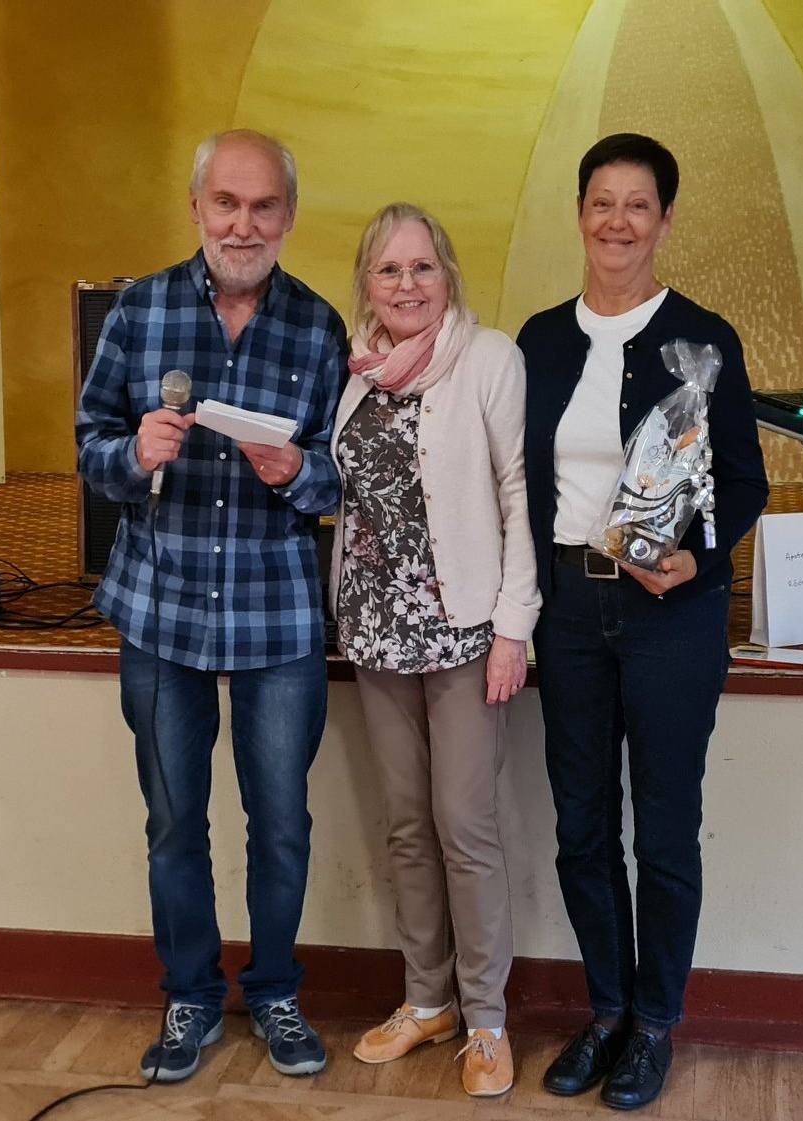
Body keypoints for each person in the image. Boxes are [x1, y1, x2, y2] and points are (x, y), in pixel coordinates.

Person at [76, 129, 347, 1084]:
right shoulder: (139, 310)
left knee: (281, 823)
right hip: (161, 608)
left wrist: (300, 470)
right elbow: (89, 444)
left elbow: (342, 477)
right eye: (226, 202)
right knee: (172, 821)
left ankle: (274, 991)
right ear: (196, 207)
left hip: (276, 615)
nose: (243, 224)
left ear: (288, 216)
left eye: (263, 205)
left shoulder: (318, 327)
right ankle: (189, 993)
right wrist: (131, 453)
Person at [516, 134, 768, 1110]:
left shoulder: (701, 338)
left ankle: (655, 1021)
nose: (615, 221)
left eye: (636, 205)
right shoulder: (540, 339)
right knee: (580, 826)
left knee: (662, 830)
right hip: (570, 610)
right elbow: (516, 476)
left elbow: (743, 482)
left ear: (664, 221)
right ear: (579, 213)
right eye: (600, 202)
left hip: (671, 614)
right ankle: (607, 1010)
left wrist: (696, 558)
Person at [329, 203, 540, 1098]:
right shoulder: (355, 371)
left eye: (421, 266)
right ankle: (427, 1000)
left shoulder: (487, 358)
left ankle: (486, 1019)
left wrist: (513, 626)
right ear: (366, 283)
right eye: (388, 269)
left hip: (462, 631)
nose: (406, 284)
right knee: (407, 827)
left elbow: (518, 493)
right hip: (376, 632)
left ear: (447, 273)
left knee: (465, 827)